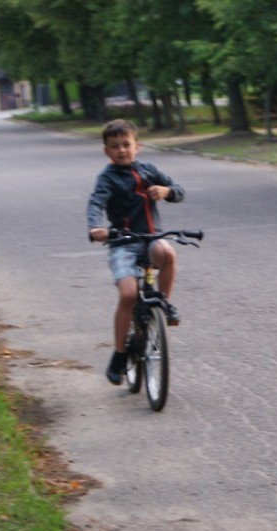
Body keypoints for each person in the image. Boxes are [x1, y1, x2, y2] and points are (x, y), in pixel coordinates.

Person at [86, 119, 185, 385]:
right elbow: (96, 202)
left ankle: (161, 305)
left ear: (137, 146)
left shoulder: (149, 170)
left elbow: (179, 191)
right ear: (106, 151)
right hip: (123, 242)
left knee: (168, 254)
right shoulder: (107, 178)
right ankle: (120, 354)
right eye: (115, 146)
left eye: (126, 144)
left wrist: (166, 191)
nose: (121, 150)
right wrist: (95, 227)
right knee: (129, 294)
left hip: (151, 238)